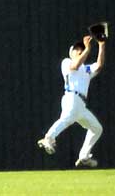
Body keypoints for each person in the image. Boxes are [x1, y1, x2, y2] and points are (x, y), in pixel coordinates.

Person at [37, 35, 106, 167]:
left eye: (81, 48)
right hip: (71, 97)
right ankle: (49, 137)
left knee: (97, 128)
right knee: (67, 118)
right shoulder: (67, 62)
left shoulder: (86, 69)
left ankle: (84, 156)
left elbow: (99, 65)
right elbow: (75, 65)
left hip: (81, 105)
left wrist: (101, 45)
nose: (80, 50)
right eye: (77, 49)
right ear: (71, 52)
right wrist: (87, 49)